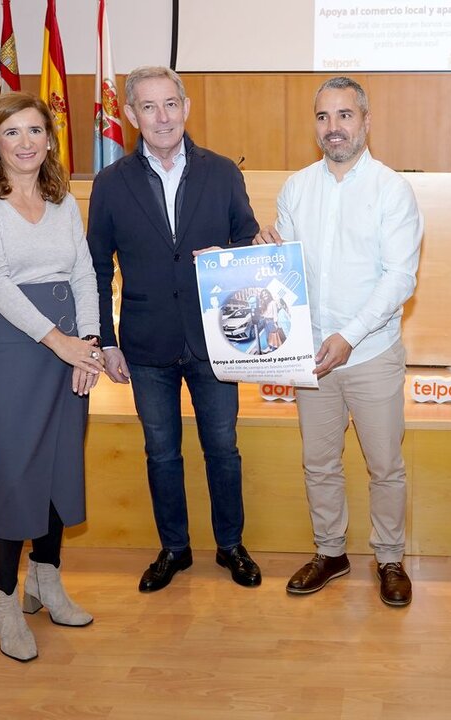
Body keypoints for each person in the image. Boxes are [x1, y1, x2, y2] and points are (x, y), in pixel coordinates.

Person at [87, 66, 262, 593]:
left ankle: (230, 545)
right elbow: (97, 267)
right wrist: (107, 340)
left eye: (170, 104)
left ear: (186, 108)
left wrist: (227, 255)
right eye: (148, 107)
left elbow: (248, 243)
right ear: (130, 115)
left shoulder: (223, 172)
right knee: (161, 451)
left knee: (223, 448)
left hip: (216, 340)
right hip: (145, 344)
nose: (161, 117)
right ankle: (175, 548)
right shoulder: (109, 183)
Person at [255, 76, 423, 607]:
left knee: (384, 465)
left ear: (366, 121)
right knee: (319, 462)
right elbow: (284, 272)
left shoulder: (392, 190)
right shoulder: (296, 188)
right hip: (311, 358)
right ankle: (331, 552)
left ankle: (390, 558)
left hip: (370, 353)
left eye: (345, 116)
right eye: (324, 117)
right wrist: (255, 259)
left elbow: (400, 278)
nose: (334, 128)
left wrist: (349, 337)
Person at [0, 92, 104, 662]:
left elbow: (86, 272)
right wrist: (59, 342)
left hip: (69, 343)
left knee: (61, 462)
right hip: (11, 349)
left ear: (49, 139)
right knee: (15, 471)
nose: (26, 142)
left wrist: (86, 343)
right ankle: (4, 601)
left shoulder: (62, 199)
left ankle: (47, 579)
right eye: (12, 132)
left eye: (36, 130)